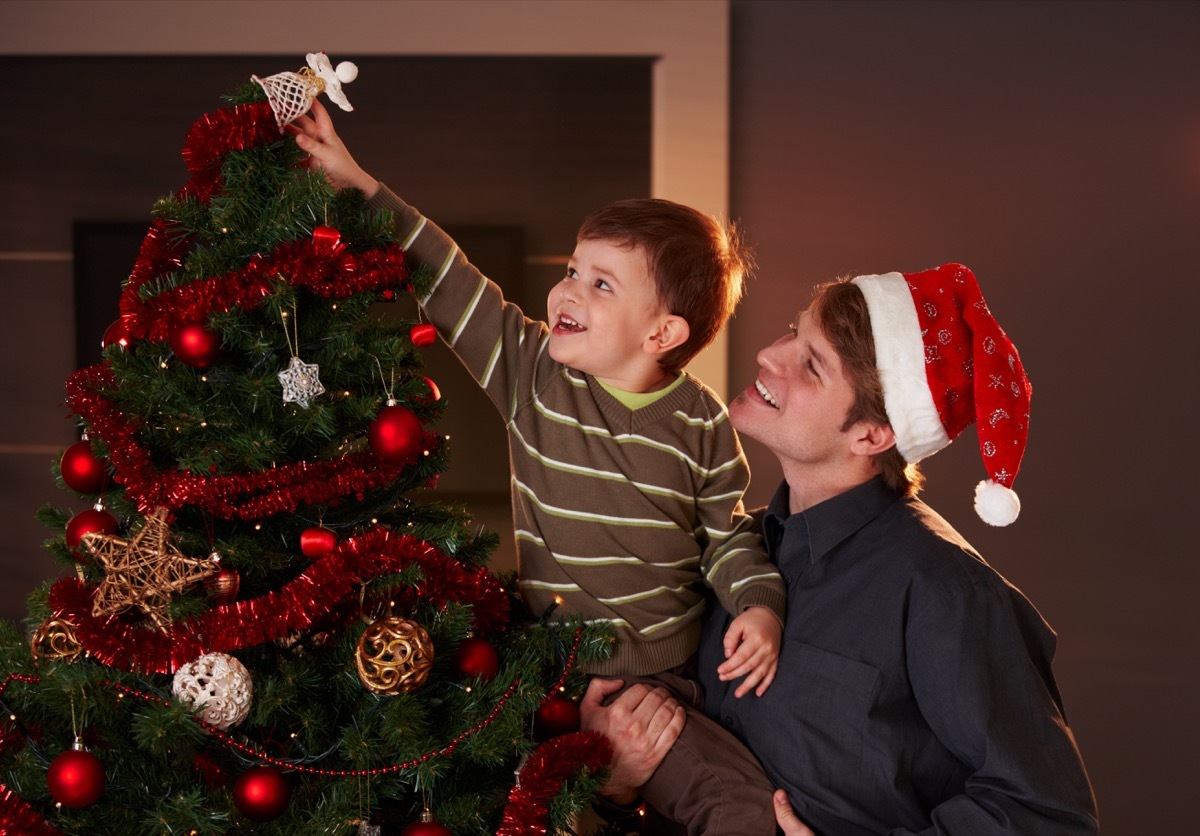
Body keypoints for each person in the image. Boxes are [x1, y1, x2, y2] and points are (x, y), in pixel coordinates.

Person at [291, 100, 787, 834]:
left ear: (662, 333)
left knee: (743, 808)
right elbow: (453, 283)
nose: (567, 292)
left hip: (656, 682)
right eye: (573, 270)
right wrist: (359, 184)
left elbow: (728, 533)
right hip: (538, 664)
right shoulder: (535, 376)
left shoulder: (701, 423)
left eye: (601, 284)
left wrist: (759, 605)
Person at [583, 263, 1099, 835]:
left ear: (871, 435)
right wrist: (616, 781)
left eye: (812, 364)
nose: (769, 355)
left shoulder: (945, 590)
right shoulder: (727, 549)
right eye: (793, 331)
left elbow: (1046, 814)